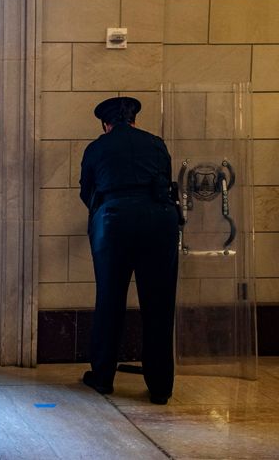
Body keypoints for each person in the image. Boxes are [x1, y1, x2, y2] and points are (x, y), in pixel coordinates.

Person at [79, 96, 180, 405]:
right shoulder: (156, 143)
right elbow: (165, 180)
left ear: (105, 124)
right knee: (159, 303)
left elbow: (87, 191)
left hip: (114, 222)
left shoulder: (97, 147)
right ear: (134, 120)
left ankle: (103, 377)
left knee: (110, 299)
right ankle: (160, 386)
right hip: (159, 222)